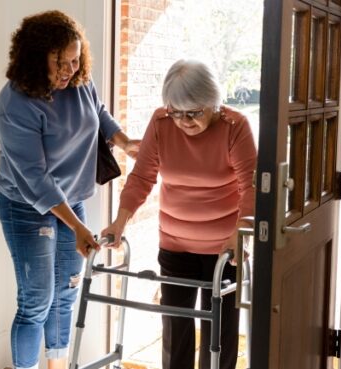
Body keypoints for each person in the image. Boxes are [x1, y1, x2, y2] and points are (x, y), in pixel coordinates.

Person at [0, 10, 137, 369]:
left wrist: (124, 140)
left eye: (75, 59)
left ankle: (58, 366)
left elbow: (97, 112)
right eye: (60, 62)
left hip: (70, 200)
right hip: (25, 204)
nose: (69, 69)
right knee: (37, 300)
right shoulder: (15, 105)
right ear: (34, 58)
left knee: (66, 292)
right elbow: (36, 179)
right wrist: (77, 227)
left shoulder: (78, 81)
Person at [101, 59, 257, 369]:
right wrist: (119, 222)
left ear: (213, 103)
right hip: (175, 244)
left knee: (220, 334)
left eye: (194, 113)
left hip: (224, 249)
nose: (184, 121)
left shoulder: (234, 127)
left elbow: (251, 185)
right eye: (176, 112)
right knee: (175, 327)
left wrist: (240, 234)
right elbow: (142, 177)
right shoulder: (161, 123)